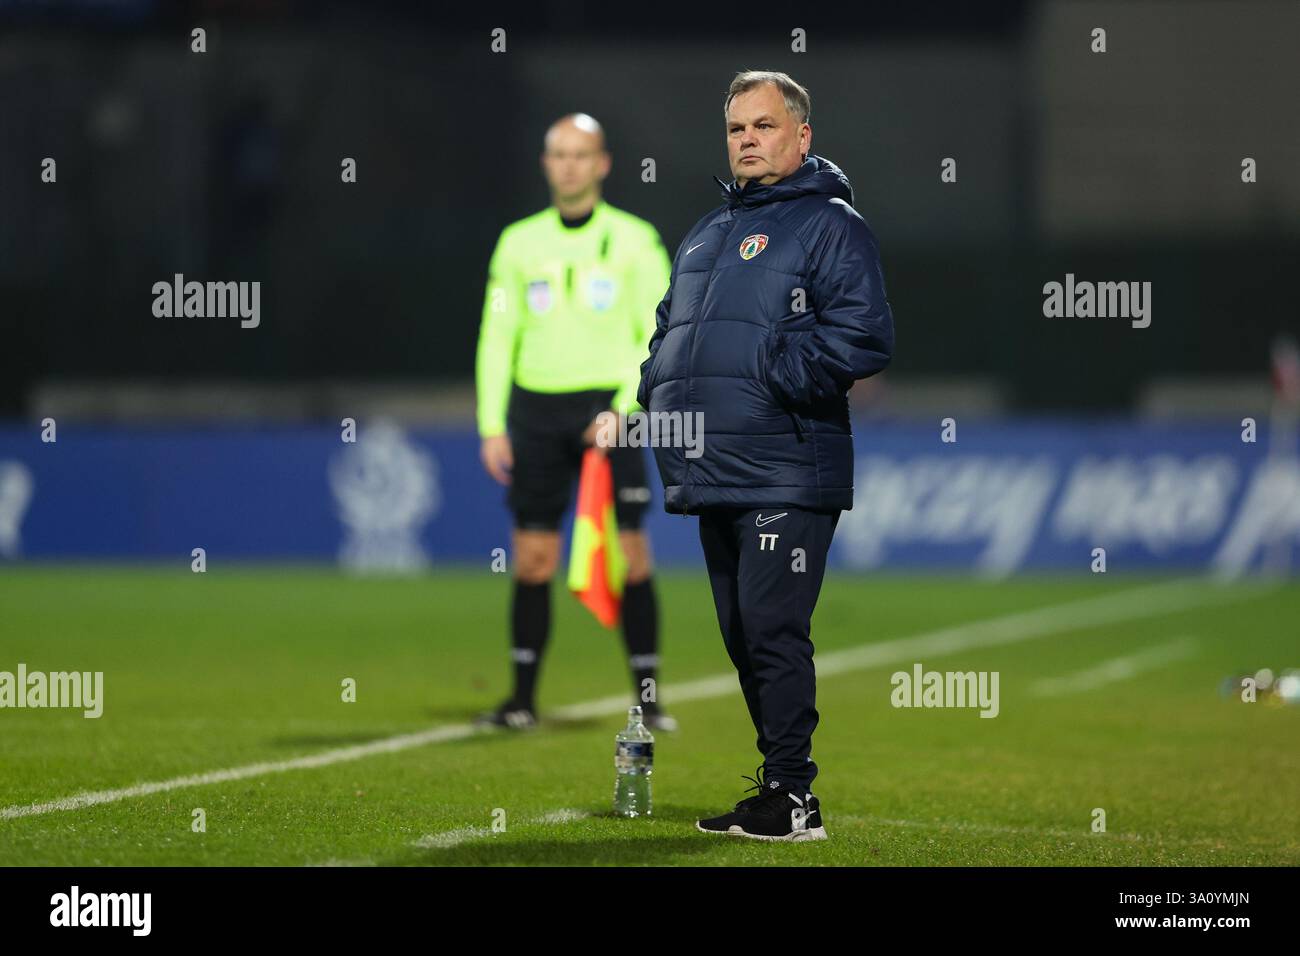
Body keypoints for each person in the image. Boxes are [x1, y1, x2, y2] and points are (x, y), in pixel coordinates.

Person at [637, 71, 894, 839]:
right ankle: (779, 787)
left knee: (772, 625)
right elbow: (667, 332)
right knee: (742, 633)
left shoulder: (832, 224)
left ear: (802, 136)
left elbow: (865, 334)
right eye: (736, 129)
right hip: (711, 468)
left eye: (764, 126)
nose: (748, 140)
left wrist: (772, 375)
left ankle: (795, 796)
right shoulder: (706, 233)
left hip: (786, 462)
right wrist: (656, 389)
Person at [474, 112, 677, 732]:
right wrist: (491, 422)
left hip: (611, 411)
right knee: (533, 558)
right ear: (546, 164)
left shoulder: (636, 240)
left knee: (631, 555)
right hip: (536, 410)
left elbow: (660, 332)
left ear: (602, 163)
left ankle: (648, 700)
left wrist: (623, 408)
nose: (568, 164)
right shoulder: (518, 242)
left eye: (580, 154)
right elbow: (497, 332)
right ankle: (521, 700)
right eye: (558, 154)